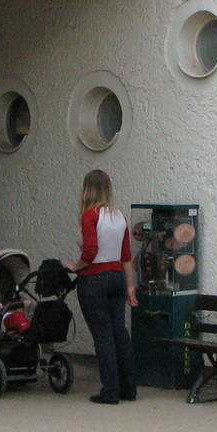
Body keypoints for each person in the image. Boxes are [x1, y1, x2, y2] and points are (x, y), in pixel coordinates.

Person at [64, 169, 138, 404]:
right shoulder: (119, 216)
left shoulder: (90, 215)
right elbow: (126, 256)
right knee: (120, 333)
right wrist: (130, 287)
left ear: (87, 189)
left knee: (103, 336)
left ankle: (110, 391)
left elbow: (90, 251)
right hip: (117, 276)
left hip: (94, 278)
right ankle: (129, 388)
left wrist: (75, 266)